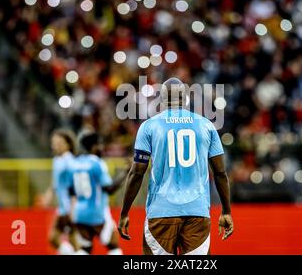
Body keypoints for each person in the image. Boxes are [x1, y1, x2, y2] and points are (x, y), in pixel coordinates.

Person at [118, 77, 233, 255]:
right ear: (186, 98)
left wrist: (125, 212)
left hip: (161, 211)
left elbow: (137, 173)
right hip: (197, 211)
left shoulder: (149, 126)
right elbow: (220, 172)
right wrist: (226, 211)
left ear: (162, 99)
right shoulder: (206, 125)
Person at [70, 132, 127, 254]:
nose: (102, 147)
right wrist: (126, 173)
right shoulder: (97, 163)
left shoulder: (76, 163)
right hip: (96, 213)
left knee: (85, 248)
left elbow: (71, 189)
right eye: (100, 144)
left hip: (79, 212)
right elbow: (109, 189)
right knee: (114, 247)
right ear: (93, 146)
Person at [45, 129, 77, 254]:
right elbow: (55, 182)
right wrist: (49, 194)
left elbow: (74, 186)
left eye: (58, 143)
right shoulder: (57, 160)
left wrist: (73, 207)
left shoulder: (70, 161)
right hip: (62, 207)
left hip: (70, 207)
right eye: (54, 143)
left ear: (68, 145)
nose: (55, 146)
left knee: (73, 240)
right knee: (53, 239)